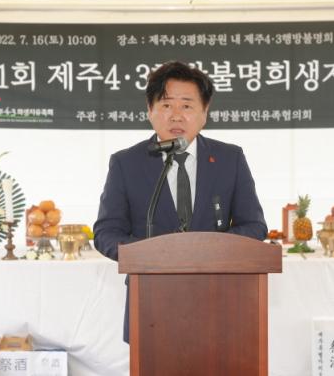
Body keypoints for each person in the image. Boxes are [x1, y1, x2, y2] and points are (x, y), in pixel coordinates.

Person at [93, 60, 267, 342]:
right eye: (166, 105)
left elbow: (255, 226)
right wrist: (147, 255)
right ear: (149, 111)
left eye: (186, 105)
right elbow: (106, 232)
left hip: (219, 295)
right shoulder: (126, 163)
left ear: (204, 113)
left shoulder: (230, 159)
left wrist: (208, 250)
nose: (176, 116)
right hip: (150, 298)